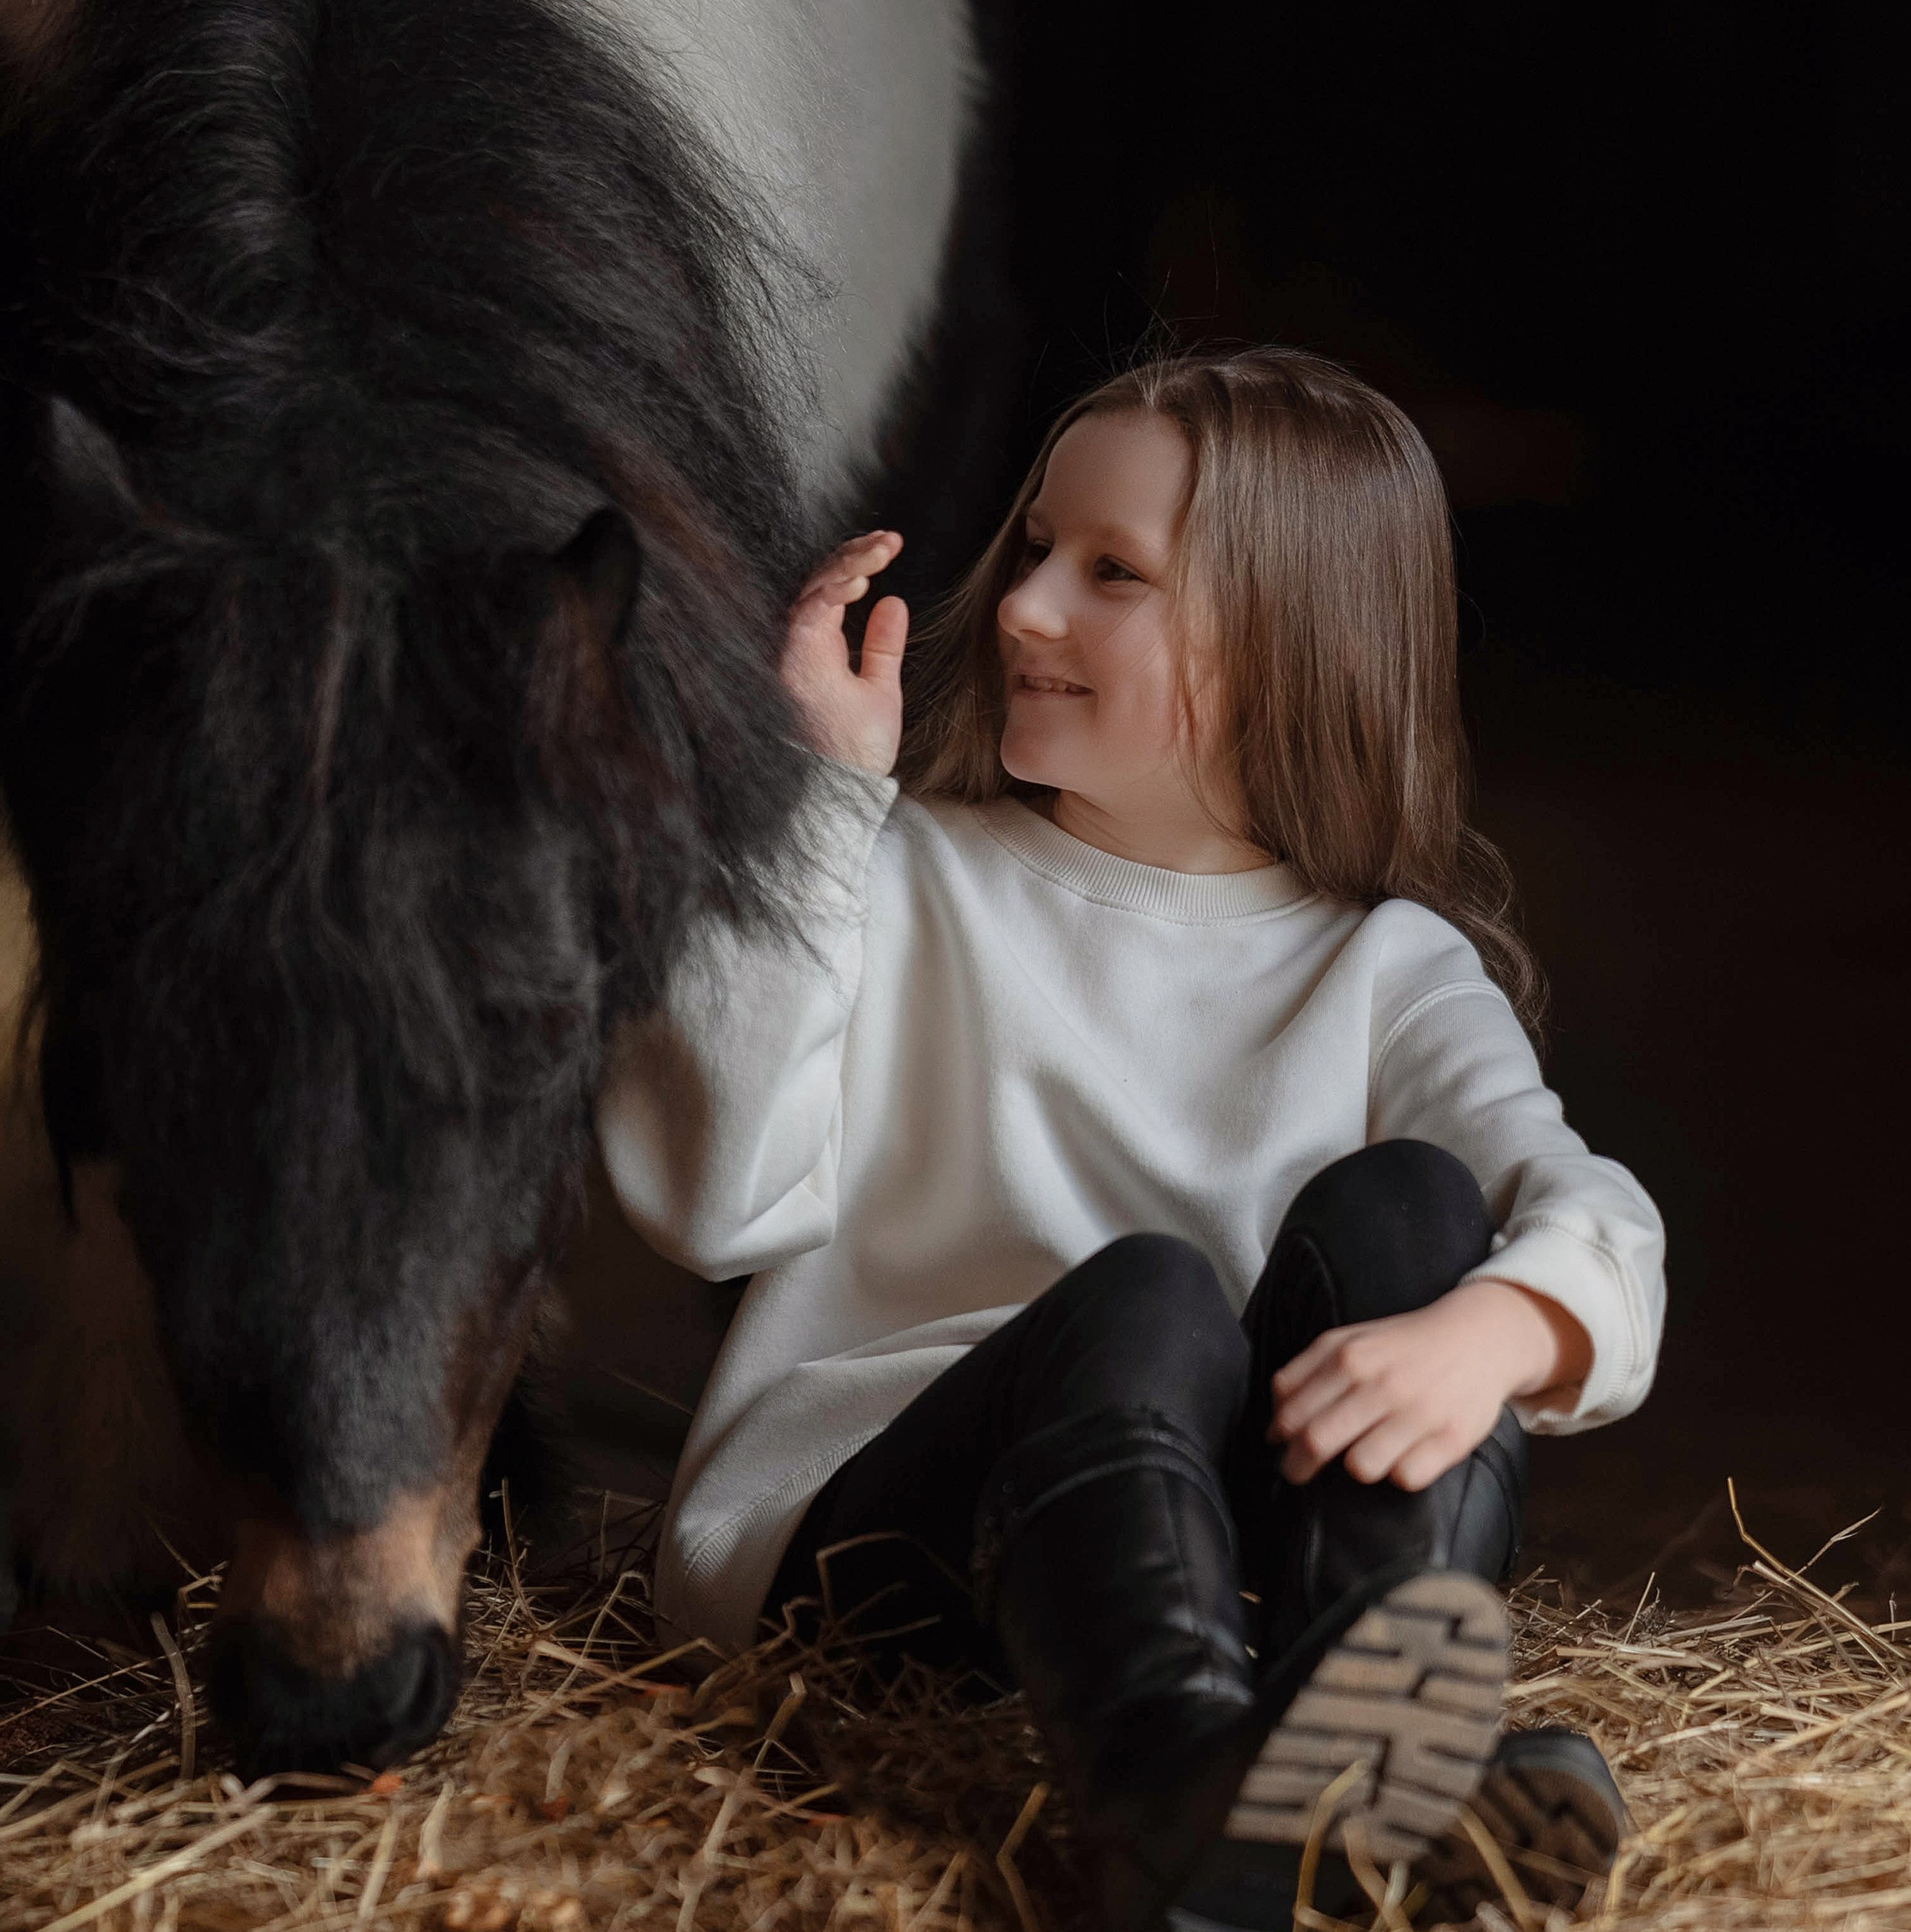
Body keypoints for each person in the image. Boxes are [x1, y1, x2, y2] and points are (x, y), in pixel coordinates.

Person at [597, 348, 1662, 1930]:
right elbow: (709, 1197)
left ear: (1286, 641)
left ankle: (1349, 1757)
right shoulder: (895, 871)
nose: (1024, 605)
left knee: (1426, 1215)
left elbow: (1594, 1221)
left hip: (1205, 1566)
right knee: (1152, 1292)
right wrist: (817, 802)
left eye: (1112, 573)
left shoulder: (1387, 969)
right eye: (1037, 548)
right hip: (867, 1539)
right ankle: (1174, 1793)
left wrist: (1503, 1326)